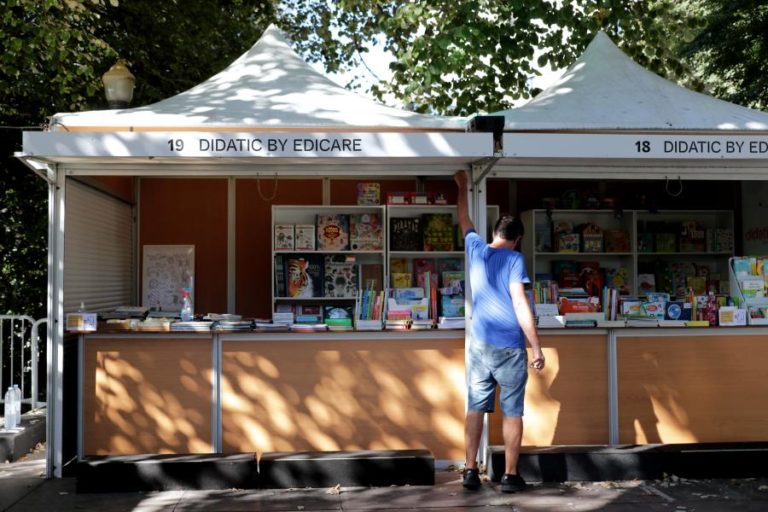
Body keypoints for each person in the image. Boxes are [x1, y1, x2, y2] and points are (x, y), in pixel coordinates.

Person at [453, 170, 545, 493]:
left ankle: (469, 470)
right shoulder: (514, 260)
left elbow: (463, 217)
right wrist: (536, 347)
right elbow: (520, 304)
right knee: (512, 411)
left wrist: (462, 186)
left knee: (475, 407)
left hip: (479, 346)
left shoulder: (477, 249)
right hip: (509, 347)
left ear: (493, 231)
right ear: (517, 238)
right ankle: (509, 475)